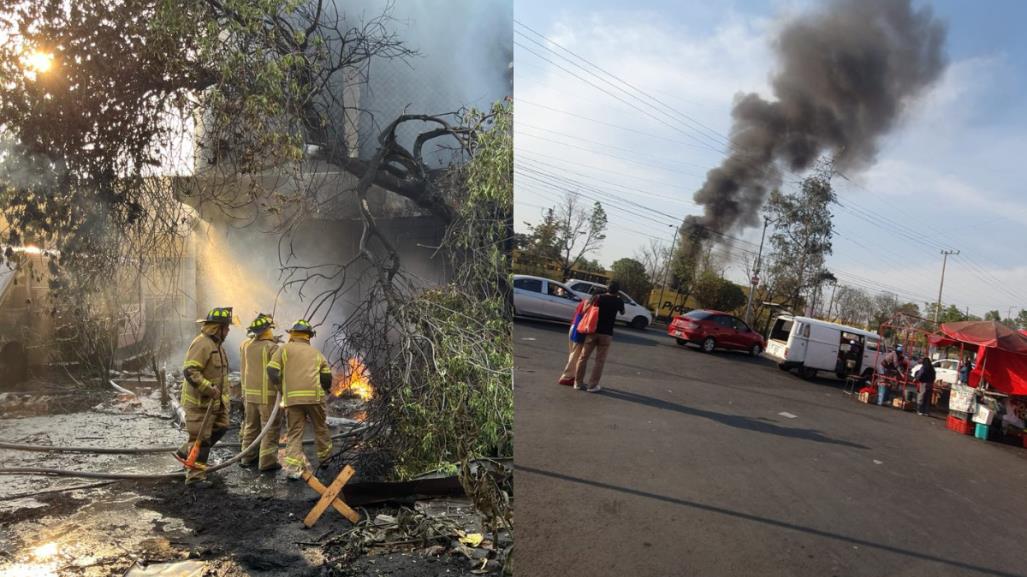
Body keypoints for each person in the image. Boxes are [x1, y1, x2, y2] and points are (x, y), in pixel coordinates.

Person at [173, 306, 235, 485]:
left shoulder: (217, 346)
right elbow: (190, 370)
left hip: (215, 403)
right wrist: (209, 388)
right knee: (201, 438)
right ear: (218, 328)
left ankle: (187, 453)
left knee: (222, 427)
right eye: (226, 327)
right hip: (200, 403)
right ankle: (195, 477)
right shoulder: (202, 343)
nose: (229, 331)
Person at [266, 319, 334, 480]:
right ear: (308, 336)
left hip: (293, 400)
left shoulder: (284, 350)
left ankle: (292, 469)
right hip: (315, 399)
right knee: (320, 427)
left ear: (292, 334)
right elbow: (326, 376)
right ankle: (325, 460)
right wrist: (325, 388)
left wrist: (280, 387)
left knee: (294, 432)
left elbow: (271, 369)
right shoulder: (316, 353)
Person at [239, 313, 283, 472]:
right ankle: (267, 462)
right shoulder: (273, 347)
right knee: (269, 429)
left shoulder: (246, 345)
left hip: (249, 396)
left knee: (251, 427)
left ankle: (247, 458)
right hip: (267, 397)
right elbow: (276, 371)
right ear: (267, 330)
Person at [574, 281, 625, 392]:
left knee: (583, 357)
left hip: (592, 330)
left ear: (607, 288)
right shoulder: (619, 300)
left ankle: (578, 383)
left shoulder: (597, 298)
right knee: (600, 361)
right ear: (617, 291)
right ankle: (592, 385)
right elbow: (622, 312)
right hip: (607, 334)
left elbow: (584, 310)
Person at [558, 297, 590, 386]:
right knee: (575, 354)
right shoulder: (590, 304)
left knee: (572, 353)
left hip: (573, 326)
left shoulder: (584, 301)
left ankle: (571, 375)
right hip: (579, 329)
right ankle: (567, 377)